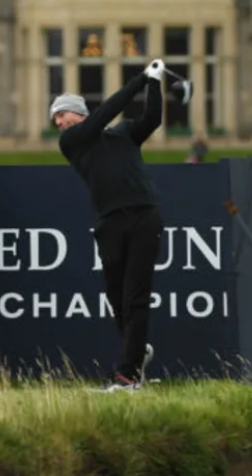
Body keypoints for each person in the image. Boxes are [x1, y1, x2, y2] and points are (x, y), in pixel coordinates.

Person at [52, 58, 169, 391]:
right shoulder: (73, 142)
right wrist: (138, 79)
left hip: (145, 214)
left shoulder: (123, 133)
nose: (58, 122)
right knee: (118, 298)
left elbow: (153, 119)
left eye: (62, 114)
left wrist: (154, 82)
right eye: (55, 118)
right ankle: (137, 352)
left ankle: (128, 374)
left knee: (136, 297)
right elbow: (105, 114)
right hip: (110, 222)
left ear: (78, 112)